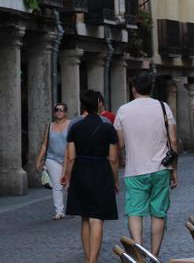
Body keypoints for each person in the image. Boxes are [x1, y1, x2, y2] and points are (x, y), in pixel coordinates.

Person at [115, 73, 178, 258]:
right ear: (151, 88)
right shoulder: (163, 107)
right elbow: (173, 142)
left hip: (134, 170)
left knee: (135, 212)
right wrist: (174, 169)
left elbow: (120, 144)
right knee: (158, 213)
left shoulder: (123, 110)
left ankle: (139, 251)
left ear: (133, 89)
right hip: (160, 168)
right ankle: (154, 254)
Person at [63, 90, 119, 263]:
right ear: (99, 104)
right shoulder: (108, 127)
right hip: (101, 170)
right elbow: (114, 158)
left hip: (81, 170)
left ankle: (88, 258)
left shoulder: (75, 127)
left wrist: (68, 176)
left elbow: (71, 157)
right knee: (97, 219)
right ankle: (93, 260)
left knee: (84, 217)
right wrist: (115, 180)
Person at [35, 102, 71, 219]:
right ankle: (59, 211)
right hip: (52, 159)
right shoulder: (50, 126)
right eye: (57, 110)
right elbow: (44, 145)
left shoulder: (71, 125)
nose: (59, 112)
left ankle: (74, 208)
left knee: (70, 184)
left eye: (62, 110)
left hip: (69, 158)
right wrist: (39, 160)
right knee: (57, 185)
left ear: (65, 112)